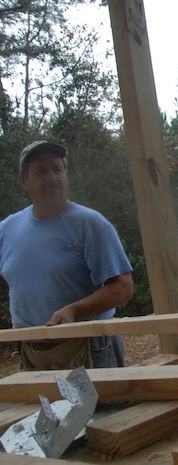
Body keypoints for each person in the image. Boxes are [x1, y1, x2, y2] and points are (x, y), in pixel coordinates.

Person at [0, 140, 134, 370]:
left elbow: (123, 287)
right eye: (41, 171)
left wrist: (74, 310)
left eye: (57, 169)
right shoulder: (7, 229)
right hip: (32, 352)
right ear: (23, 181)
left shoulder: (90, 224)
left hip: (88, 348)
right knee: (38, 408)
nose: (51, 177)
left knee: (105, 409)